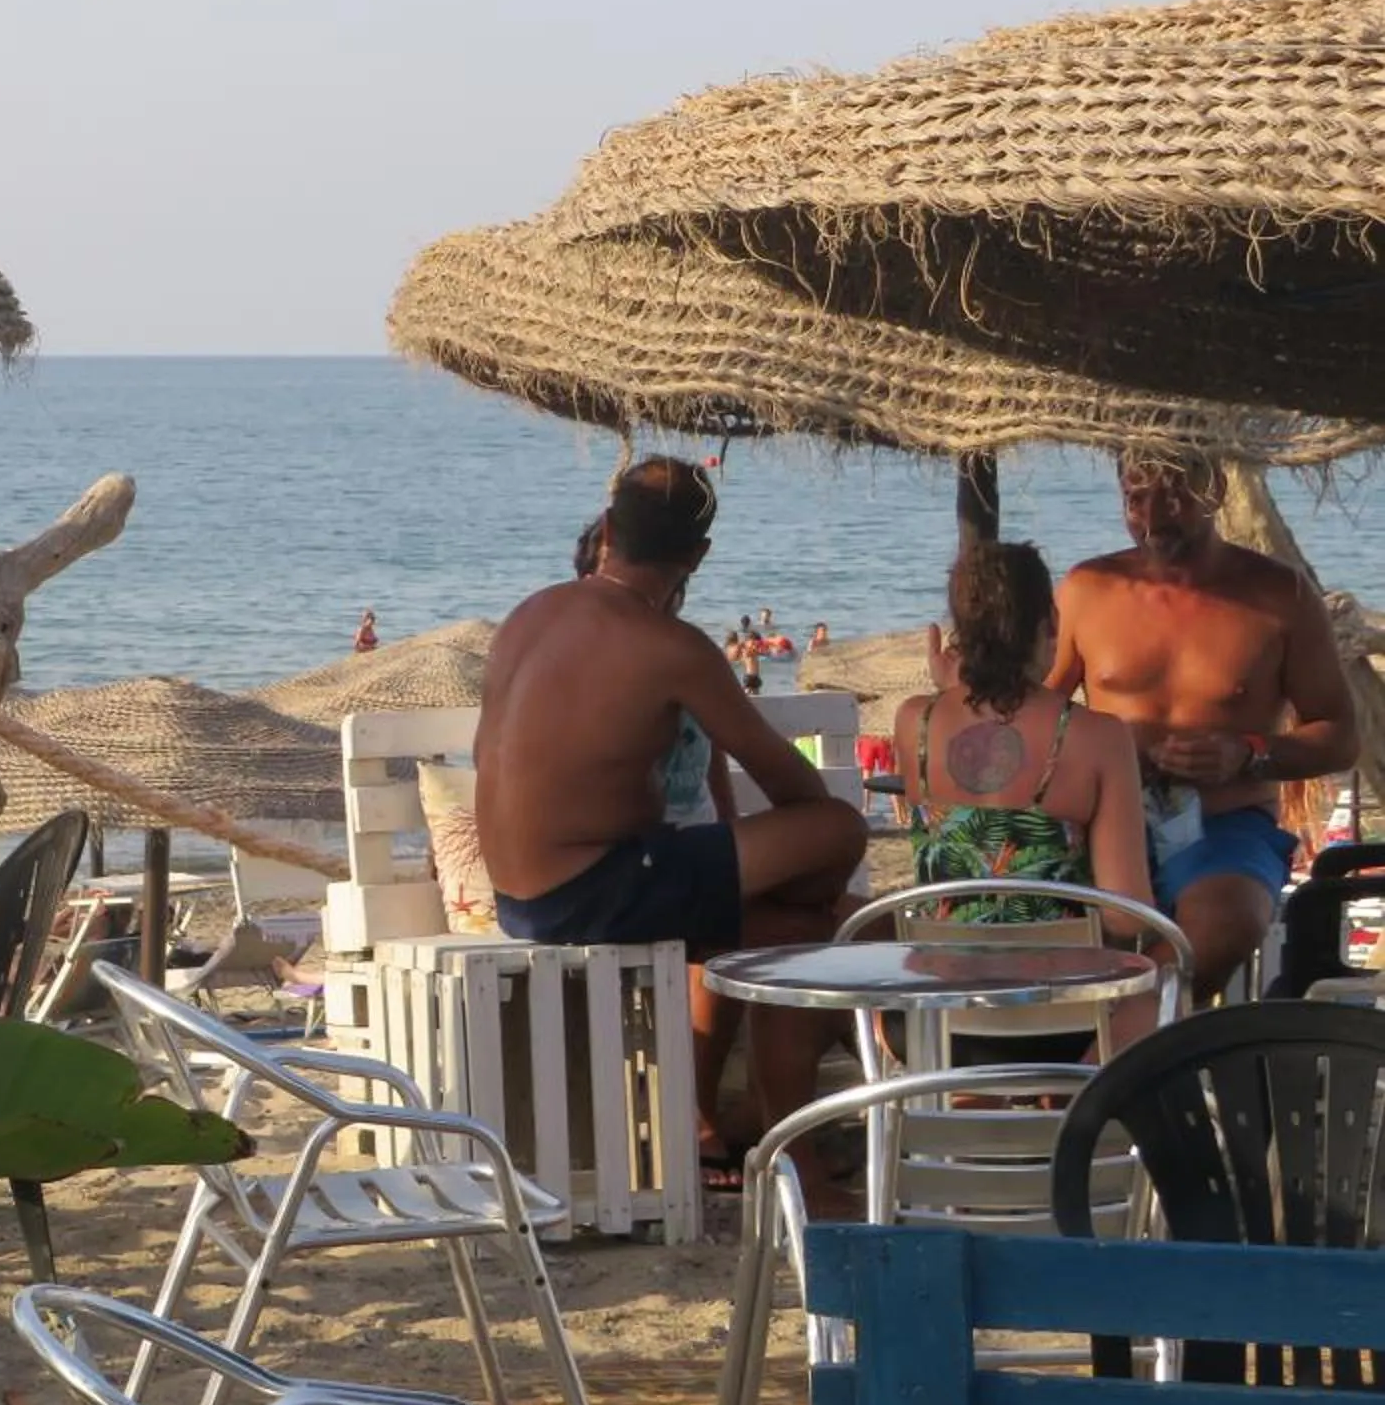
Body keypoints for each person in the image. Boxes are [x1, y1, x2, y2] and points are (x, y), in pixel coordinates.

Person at [482, 457, 868, 1150]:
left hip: (514, 894)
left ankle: (714, 1118)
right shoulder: (671, 646)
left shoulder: (529, 614)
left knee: (777, 923)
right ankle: (789, 1158)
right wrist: (792, 882)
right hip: (596, 887)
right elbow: (797, 793)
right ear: (700, 555)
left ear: (607, 530)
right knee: (836, 833)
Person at [1051, 452, 1358, 1000]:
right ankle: (1124, 1052)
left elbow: (1340, 736)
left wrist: (1248, 752)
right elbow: (1040, 710)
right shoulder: (1088, 587)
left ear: (1215, 488)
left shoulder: (1279, 595)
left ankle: (1120, 1045)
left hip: (1226, 822)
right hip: (1106, 824)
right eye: (1136, 499)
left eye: (1174, 496)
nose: (1153, 518)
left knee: (1224, 922)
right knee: (1038, 924)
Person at [901, 541, 1155, 1050]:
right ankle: (1071, 1102)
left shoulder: (916, 723)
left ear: (959, 634)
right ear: (1051, 625)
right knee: (1165, 990)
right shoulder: (1097, 737)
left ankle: (972, 1098)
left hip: (944, 1021)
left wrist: (948, 688)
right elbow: (1127, 916)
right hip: (1065, 1024)